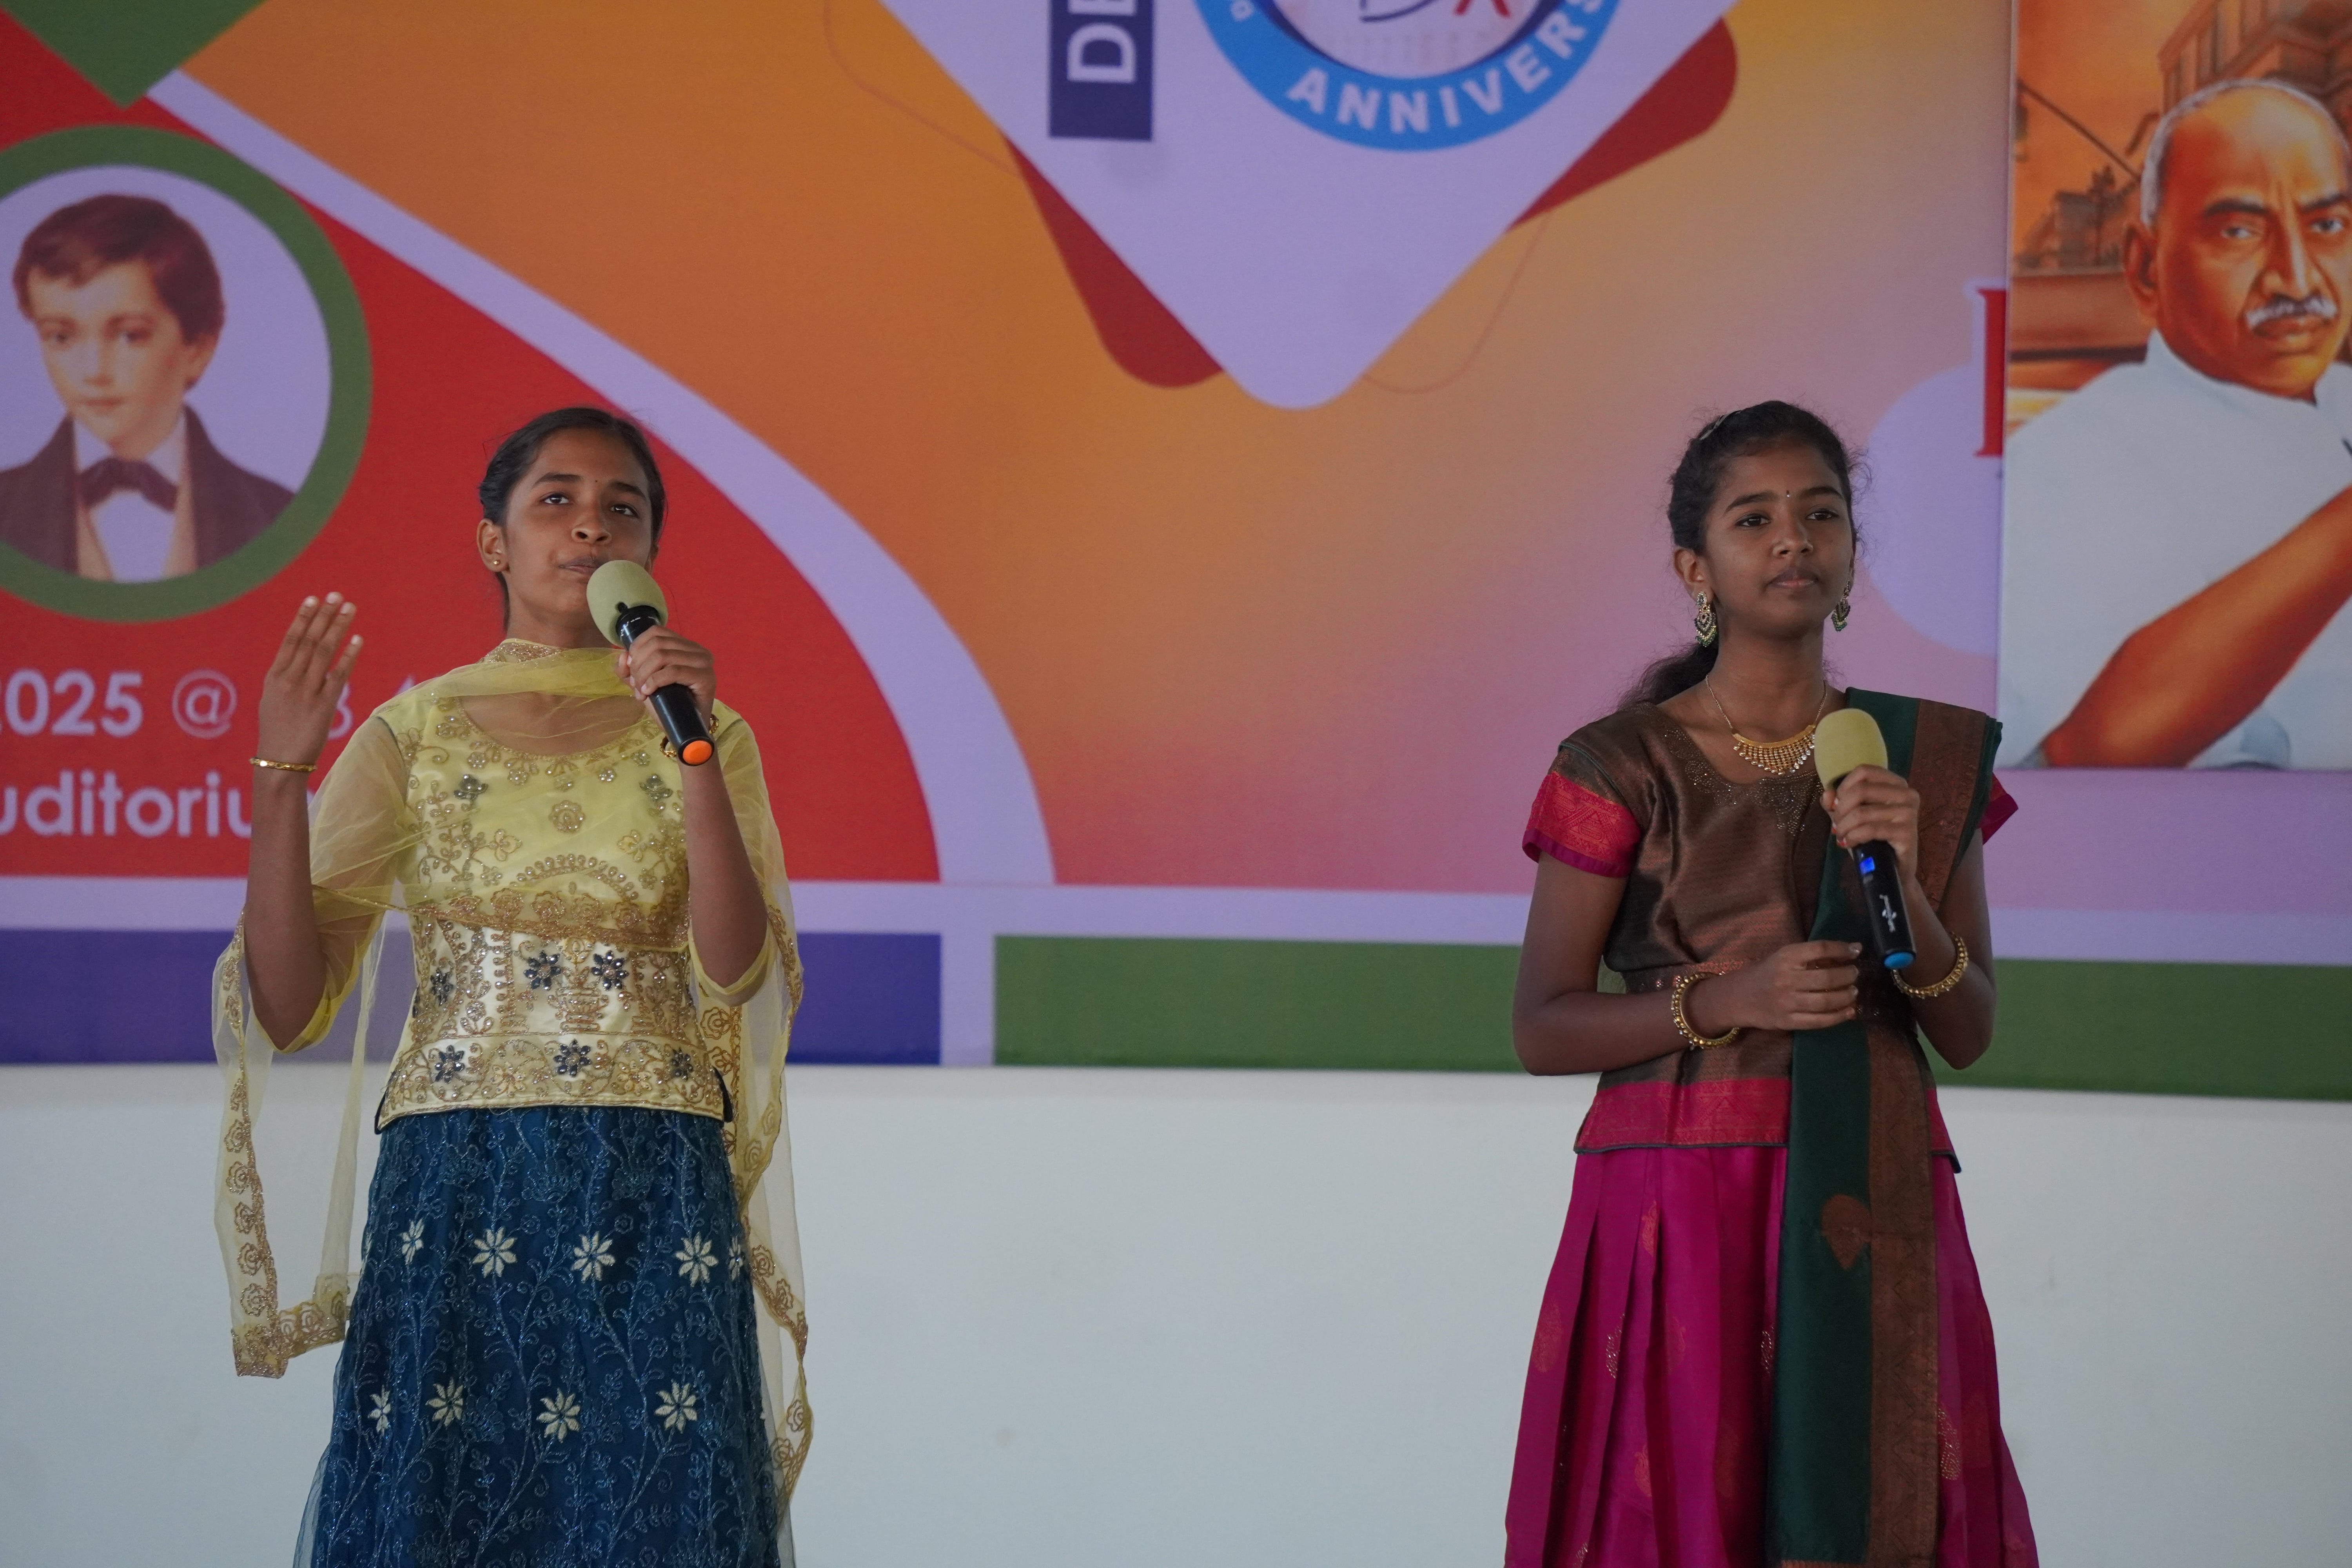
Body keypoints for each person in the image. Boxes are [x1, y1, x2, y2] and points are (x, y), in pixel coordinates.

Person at [210, 407, 810, 1565]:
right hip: (461, 1179)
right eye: (557, 499)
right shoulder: (413, 733)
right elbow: (286, 1006)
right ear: (494, 540)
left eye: (622, 507)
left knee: (658, 1508)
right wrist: (282, 775)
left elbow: (736, 968)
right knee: (453, 1504)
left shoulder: (708, 730)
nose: (591, 525)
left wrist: (688, 746)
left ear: (648, 552)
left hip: (651, 1184)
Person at [1505, 403, 2035, 1567]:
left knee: (1876, 1507)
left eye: (1819, 512)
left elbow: (1967, 1028)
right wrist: (1723, 1001)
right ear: (1696, 568)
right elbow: (1541, 1025)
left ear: (1848, 549)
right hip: (1679, 1200)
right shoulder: (1618, 762)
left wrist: (1899, 870)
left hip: (1872, 1186)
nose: (1793, 537)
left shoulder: (1918, 758)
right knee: (1682, 1504)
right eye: (1754, 519)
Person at [2001, 78, 2352, 768]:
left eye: (2328, 227)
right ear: (2145, 268)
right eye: (2240, 232)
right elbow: (2092, 747)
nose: (2297, 280)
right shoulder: (2069, 459)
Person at [0, 192, 292, 580]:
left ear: (197, 348)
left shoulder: (280, 515)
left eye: (130, 336)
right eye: (61, 337)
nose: (94, 371)